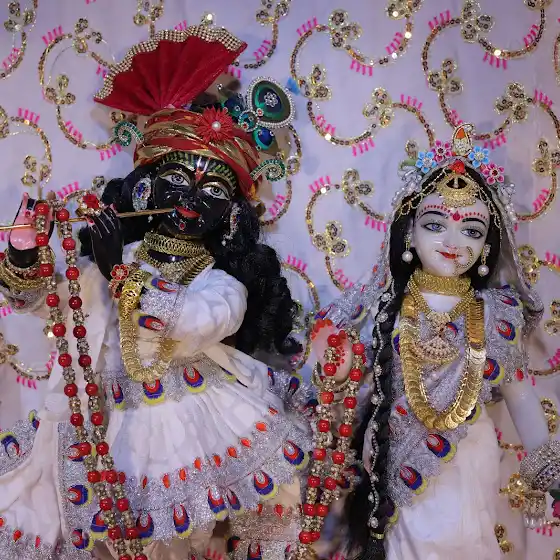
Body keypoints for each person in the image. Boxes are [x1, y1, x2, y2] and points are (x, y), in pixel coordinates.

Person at [0, 24, 315, 560]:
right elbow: (47, 302)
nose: (191, 198)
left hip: (182, 427)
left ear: (230, 214)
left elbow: (195, 322)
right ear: (144, 186)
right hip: (105, 423)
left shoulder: (220, 283)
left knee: (181, 539)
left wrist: (118, 274)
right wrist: (27, 253)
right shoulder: (113, 258)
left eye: (212, 190)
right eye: (177, 179)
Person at [308, 124, 560, 559]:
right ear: (409, 232)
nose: (453, 242)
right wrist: (337, 363)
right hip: (396, 459)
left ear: (487, 246)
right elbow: (350, 383)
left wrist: (548, 473)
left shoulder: (498, 313)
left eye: (472, 231)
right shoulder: (382, 305)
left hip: (471, 458)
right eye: (435, 224)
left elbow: (519, 394)